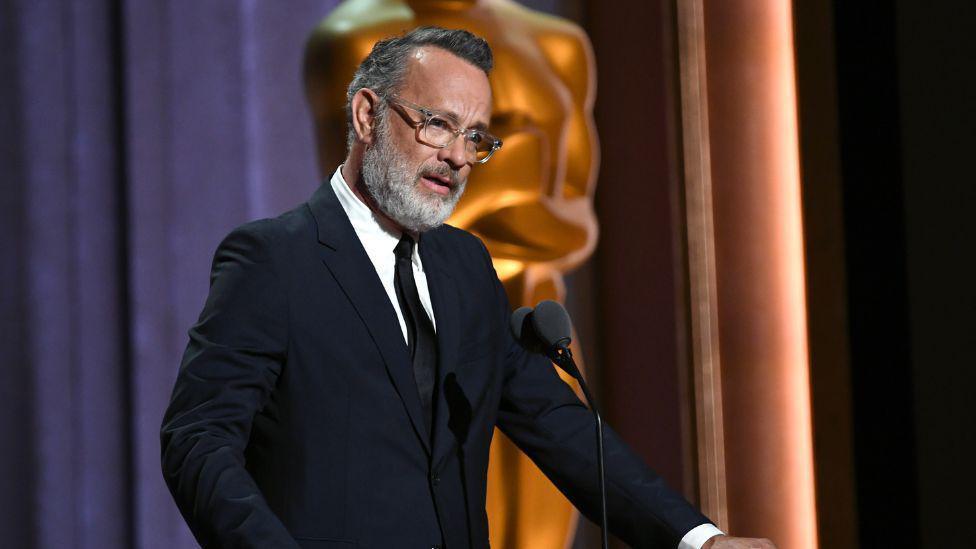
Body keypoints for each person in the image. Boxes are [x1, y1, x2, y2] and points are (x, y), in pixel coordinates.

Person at [160, 26, 776, 549]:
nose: (457, 157)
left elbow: (553, 421)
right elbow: (198, 440)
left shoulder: (465, 268)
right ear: (367, 115)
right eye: (437, 125)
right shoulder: (275, 259)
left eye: (475, 137)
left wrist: (697, 538)